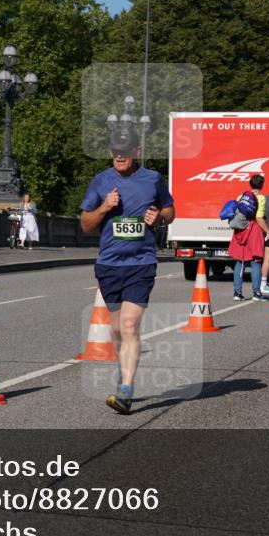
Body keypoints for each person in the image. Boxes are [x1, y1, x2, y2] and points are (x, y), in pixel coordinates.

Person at [80, 122, 175, 416]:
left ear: (137, 150)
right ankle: (124, 373)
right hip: (109, 265)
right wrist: (105, 208)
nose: (120, 156)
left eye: (125, 151)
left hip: (141, 263)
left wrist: (159, 216)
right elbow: (85, 224)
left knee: (130, 325)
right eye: (115, 151)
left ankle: (126, 390)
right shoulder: (100, 181)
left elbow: (171, 211)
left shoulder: (153, 179)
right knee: (117, 329)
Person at [228, 174, 269, 301]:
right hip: (253, 230)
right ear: (262, 185)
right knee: (256, 261)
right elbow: (258, 217)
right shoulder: (261, 198)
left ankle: (237, 293)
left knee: (239, 261)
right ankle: (256, 293)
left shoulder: (241, 196)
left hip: (240, 231)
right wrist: (267, 231)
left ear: (250, 184)